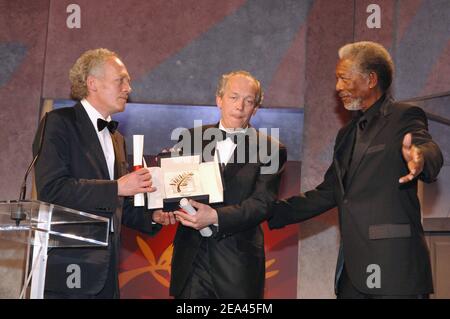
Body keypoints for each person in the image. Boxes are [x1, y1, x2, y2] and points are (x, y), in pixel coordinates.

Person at [269, 41, 443, 299]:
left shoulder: (403, 116)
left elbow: (426, 146)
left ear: (371, 79)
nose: (337, 87)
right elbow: (329, 192)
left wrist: (420, 159)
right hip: (352, 274)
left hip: (395, 271)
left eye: (344, 78)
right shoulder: (346, 133)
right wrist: (267, 211)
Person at [33, 48, 167, 298]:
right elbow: (52, 189)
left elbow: (115, 205)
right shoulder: (58, 123)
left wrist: (152, 217)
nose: (128, 88)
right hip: (69, 270)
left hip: (107, 273)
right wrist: (118, 187)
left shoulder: (117, 139)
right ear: (92, 83)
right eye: (121, 80)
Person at [167, 70, 287, 299]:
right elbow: (175, 189)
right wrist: (164, 210)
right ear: (219, 100)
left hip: (237, 266)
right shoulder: (190, 139)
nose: (240, 106)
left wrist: (215, 217)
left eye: (248, 100)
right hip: (191, 262)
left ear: (256, 108)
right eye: (233, 97)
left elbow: (263, 204)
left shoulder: (271, 149)